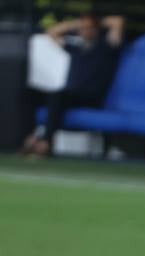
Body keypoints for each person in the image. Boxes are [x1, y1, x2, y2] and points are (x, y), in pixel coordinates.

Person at [21, 13, 124, 158]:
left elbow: (117, 21)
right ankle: (30, 137)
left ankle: (46, 142)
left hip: (91, 97)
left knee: (57, 94)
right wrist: (77, 24)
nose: (85, 31)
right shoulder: (75, 48)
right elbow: (51, 33)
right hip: (70, 95)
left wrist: (95, 22)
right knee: (29, 93)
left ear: (96, 29)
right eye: (82, 28)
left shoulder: (106, 47)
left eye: (89, 28)